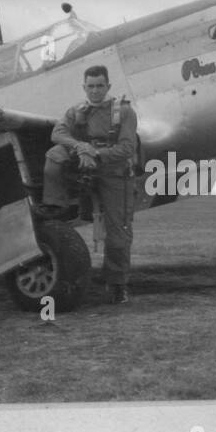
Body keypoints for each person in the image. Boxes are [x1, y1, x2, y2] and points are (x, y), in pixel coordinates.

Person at [42, 65, 139, 304]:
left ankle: (117, 284)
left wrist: (94, 152)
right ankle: (55, 207)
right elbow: (58, 133)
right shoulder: (77, 111)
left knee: (119, 233)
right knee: (55, 154)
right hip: (84, 164)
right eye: (90, 86)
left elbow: (127, 148)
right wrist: (79, 147)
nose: (95, 91)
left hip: (115, 171)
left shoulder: (124, 112)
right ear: (84, 87)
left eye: (100, 86)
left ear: (108, 87)